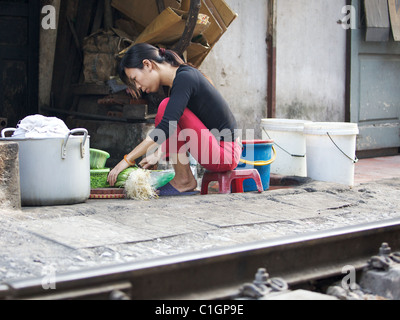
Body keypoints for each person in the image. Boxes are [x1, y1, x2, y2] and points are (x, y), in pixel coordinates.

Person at [107, 43, 242, 196]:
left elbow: (166, 127)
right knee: (168, 110)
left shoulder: (185, 78)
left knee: (165, 107)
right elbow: (177, 128)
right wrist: (157, 154)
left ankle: (183, 179)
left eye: (135, 79)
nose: (137, 87)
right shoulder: (180, 81)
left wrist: (127, 159)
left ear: (147, 64)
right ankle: (184, 178)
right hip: (218, 150)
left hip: (225, 153)